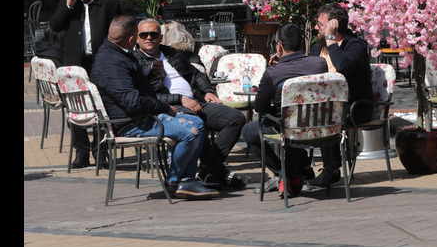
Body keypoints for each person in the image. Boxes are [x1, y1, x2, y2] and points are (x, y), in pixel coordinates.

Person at [89, 15, 218, 199]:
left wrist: (148, 71)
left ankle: (186, 181)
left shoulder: (116, 53)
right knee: (190, 132)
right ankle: (174, 182)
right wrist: (165, 108)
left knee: (197, 123)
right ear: (132, 39)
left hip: (141, 116)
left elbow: (130, 81)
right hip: (130, 123)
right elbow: (132, 102)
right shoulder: (110, 62)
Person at [133, 19, 249, 190]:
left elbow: (195, 74)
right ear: (137, 38)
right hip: (171, 107)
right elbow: (147, 96)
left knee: (236, 118)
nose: (149, 37)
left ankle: (208, 171)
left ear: (160, 37)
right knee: (196, 122)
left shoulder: (171, 53)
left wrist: (208, 91)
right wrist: (179, 99)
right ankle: (219, 172)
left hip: (196, 100)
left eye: (153, 34)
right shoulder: (134, 61)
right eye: (144, 34)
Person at [49, 0, 123, 169]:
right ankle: (81, 153)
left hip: (100, 63)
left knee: (102, 108)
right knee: (77, 107)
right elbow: (54, 26)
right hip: (75, 63)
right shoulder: (70, 3)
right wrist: (69, 6)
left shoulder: (109, 3)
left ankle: (101, 152)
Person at [241, 23, 329, 196]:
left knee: (248, 132)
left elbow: (260, 108)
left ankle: (283, 175)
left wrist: (274, 73)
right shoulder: (320, 64)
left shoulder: (274, 73)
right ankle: (299, 170)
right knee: (293, 127)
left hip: (288, 127)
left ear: (279, 46)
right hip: (319, 126)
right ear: (302, 43)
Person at [306, 3, 374, 190]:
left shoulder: (356, 46)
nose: (315, 28)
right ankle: (301, 168)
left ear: (334, 26)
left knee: (325, 116)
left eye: (320, 24)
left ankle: (332, 171)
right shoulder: (317, 48)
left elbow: (343, 66)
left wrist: (330, 39)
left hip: (356, 107)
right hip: (326, 105)